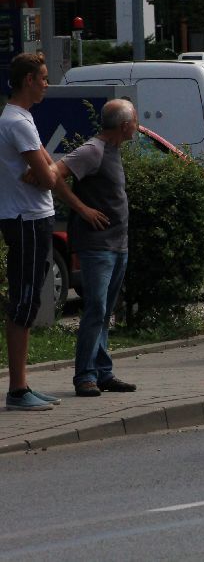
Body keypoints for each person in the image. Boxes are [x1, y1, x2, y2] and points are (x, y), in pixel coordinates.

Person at [47, 100, 139, 396]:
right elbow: (54, 174)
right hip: (97, 246)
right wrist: (82, 209)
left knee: (105, 309)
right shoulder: (93, 150)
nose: (137, 125)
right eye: (135, 120)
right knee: (96, 308)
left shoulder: (112, 150)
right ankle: (85, 375)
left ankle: (102, 371)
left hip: (117, 243)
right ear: (124, 125)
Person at [0, 53, 61, 411]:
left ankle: (22, 385)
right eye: (42, 77)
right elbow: (51, 174)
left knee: (30, 300)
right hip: (26, 219)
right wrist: (43, 172)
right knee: (24, 301)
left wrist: (43, 171)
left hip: (33, 216)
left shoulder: (22, 118)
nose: (46, 84)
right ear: (27, 81)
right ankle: (17, 388)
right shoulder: (16, 122)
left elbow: (48, 168)